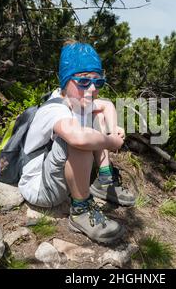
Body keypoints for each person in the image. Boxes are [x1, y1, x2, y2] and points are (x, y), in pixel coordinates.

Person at [18, 40, 136, 244]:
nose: (91, 88)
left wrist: (113, 129)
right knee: (79, 139)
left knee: (96, 116)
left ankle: (105, 180)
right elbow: (78, 138)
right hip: (40, 189)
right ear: (65, 81)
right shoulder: (54, 108)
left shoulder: (78, 101)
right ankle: (81, 210)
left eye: (98, 82)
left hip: (55, 177)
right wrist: (110, 141)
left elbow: (107, 105)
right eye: (83, 81)